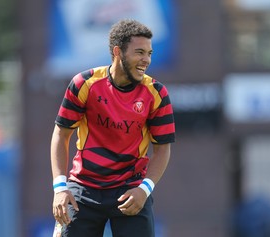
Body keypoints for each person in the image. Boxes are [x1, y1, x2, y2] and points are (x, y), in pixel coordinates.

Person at [50, 19, 176, 237]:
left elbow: (163, 149)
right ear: (118, 52)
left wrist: (144, 189)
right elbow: (61, 135)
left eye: (149, 53)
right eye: (139, 52)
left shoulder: (156, 93)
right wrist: (60, 188)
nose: (146, 60)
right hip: (84, 187)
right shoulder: (84, 84)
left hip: (131, 190)